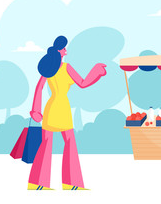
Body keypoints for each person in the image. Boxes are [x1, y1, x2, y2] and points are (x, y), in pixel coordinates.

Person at [27, 36, 107, 190]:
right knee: (68, 144)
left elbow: (39, 88)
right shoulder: (63, 68)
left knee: (47, 144)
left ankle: (38, 183)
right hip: (61, 108)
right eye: (64, 48)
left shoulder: (50, 69)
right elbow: (83, 83)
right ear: (59, 50)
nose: (66, 51)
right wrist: (96, 72)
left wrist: (36, 110)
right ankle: (71, 183)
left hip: (54, 109)